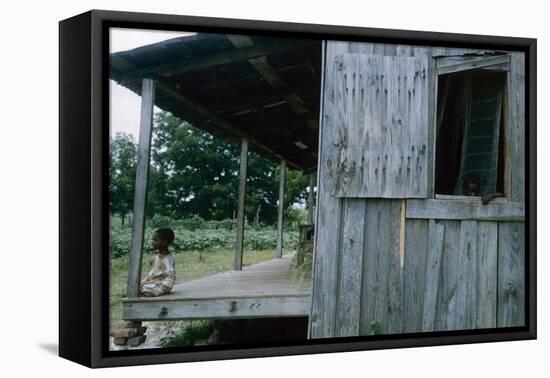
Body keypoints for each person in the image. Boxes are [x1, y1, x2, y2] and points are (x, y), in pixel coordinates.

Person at [139, 228, 176, 297]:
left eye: (155, 240)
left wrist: (162, 287)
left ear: (164, 243)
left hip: (162, 286)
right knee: (137, 286)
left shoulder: (167, 259)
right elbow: (154, 274)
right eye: (152, 239)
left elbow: (170, 278)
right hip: (155, 283)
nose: (152, 242)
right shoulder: (158, 256)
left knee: (142, 290)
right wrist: (145, 281)